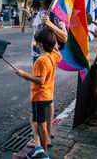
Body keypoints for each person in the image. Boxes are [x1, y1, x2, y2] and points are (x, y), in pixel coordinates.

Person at [22, 0, 67, 150]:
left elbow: (64, 37)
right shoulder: (40, 11)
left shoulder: (54, 12)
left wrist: (50, 24)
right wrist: (29, 16)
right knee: (47, 95)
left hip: (46, 57)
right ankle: (47, 132)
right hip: (36, 55)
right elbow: (38, 29)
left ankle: (44, 136)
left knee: (43, 95)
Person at [15, 27, 62, 159]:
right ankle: (38, 147)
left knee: (41, 123)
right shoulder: (52, 56)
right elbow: (59, 55)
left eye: (36, 42)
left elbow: (40, 80)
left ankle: (44, 153)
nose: (34, 45)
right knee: (33, 119)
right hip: (48, 95)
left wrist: (24, 74)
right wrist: (53, 47)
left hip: (39, 96)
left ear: (39, 44)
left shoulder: (41, 61)